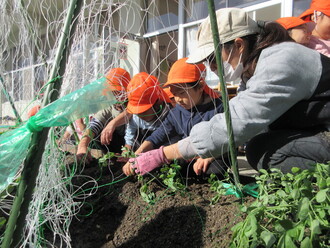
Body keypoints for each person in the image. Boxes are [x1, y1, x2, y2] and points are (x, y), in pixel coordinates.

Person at [127, 8, 330, 175]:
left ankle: (318, 189)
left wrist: (163, 154)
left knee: (260, 150)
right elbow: (243, 122)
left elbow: (236, 123)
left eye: (213, 58)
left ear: (239, 45)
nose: (211, 67)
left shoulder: (279, 61)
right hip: (316, 128)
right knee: (259, 148)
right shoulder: (252, 69)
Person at [123, 58, 224, 176]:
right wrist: (136, 156)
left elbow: (227, 141)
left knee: (214, 170)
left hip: (211, 156)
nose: (178, 99)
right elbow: (158, 135)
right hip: (186, 156)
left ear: (200, 86)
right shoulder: (177, 111)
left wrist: (209, 157)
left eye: (182, 93)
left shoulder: (218, 108)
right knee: (158, 166)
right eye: (174, 94)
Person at [76, 67, 131, 164]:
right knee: (97, 132)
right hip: (119, 144)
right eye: (113, 92)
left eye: (118, 91)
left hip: (136, 145)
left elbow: (131, 111)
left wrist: (112, 123)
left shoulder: (135, 102)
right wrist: (82, 146)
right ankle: (113, 157)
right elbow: (94, 125)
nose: (116, 95)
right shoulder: (110, 106)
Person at [121, 72, 173, 158]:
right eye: (136, 112)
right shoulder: (136, 118)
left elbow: (172, 144)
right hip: (140, 152)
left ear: (157, 104)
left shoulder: (168, 115)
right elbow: (130, 134)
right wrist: (126, 153)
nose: (140, 115)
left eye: (143, 111)